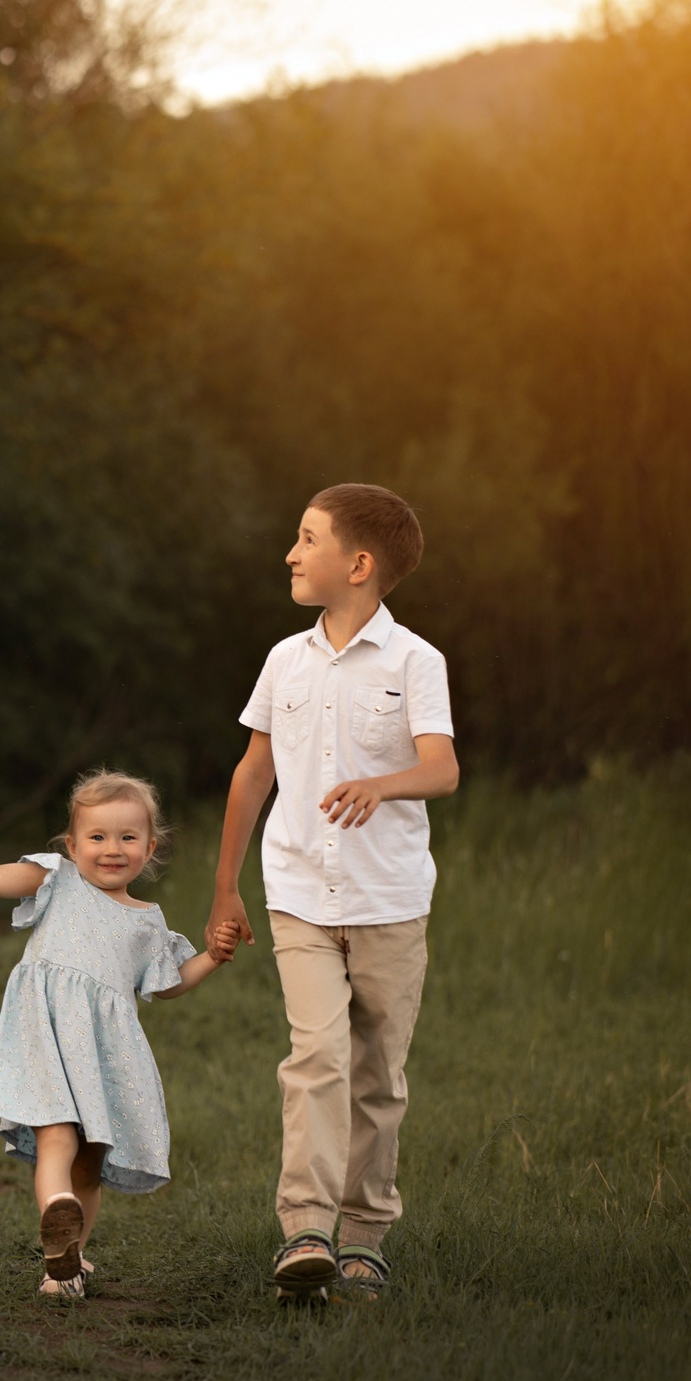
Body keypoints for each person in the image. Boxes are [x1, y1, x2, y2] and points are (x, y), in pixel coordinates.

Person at [208, 485, 458, 1301]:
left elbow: (441, 768)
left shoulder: (416, 661)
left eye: (306, 538)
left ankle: (364, 1235)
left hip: (389, 902)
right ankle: (305, 1230)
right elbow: (254, 774)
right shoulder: (285, 659)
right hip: (299, 895)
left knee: (379, 1074)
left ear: (359, 564)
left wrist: (382, 786)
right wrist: (226, 888)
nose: (290, 552)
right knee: (315, 1057)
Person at [0, 771, 238, 1297]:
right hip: (45, 1033)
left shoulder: (147, 922)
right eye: (98, 837)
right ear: (72, 844)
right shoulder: (55, 879)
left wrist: (213, 958)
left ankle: (67, 1255)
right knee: (59, 1137)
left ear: (150, 848)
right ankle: (61, 1233)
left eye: (128, 838)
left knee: (85, 1156)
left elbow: (168, 984)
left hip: (102, 1052)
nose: (112, 849)